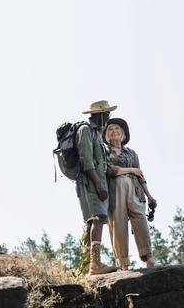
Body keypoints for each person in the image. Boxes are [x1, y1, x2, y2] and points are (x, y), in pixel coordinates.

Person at [103, 117, 161, 269]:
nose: (114, 131)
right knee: (118, 225)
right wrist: (130, 170)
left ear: (123, 133)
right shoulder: (104, 151)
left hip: (135, 190)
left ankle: (149, 258)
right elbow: (110, 170)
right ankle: (123, 265)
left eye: (117, 129)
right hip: (115, 191)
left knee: (140, 221)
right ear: (106, 135)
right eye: (110, 129)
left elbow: (141, 176)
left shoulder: (131, 153)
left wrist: (149, 196)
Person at [77, 100, 118, 275]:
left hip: (93, 182)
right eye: (107, 114)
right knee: (98, 218)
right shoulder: (86, 130)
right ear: (99, 114)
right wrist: (99, 184)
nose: (109, 117)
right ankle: (95, 264)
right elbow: (86, 160)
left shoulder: (95, 133)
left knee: (91, 222)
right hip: (91, 182)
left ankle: (86, 264)